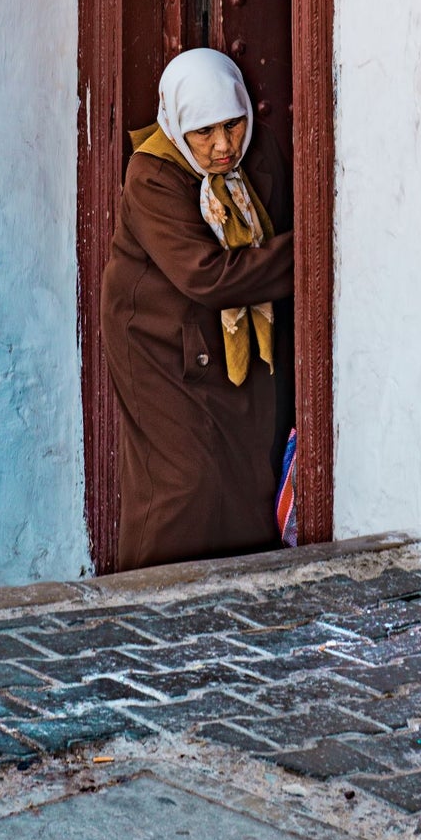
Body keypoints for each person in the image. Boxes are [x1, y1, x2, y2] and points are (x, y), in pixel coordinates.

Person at [101, 48, 295, 571]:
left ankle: (235, 586)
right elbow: (205, 274)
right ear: (178, 127)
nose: (222, 147)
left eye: (232, 125)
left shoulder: (259, 153)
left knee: (244, 466)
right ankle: (145, 598)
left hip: (222, 335)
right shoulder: (152, 176)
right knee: (181, 479)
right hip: (155, 341)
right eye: (203, 134)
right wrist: (307, 252)